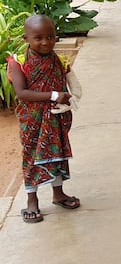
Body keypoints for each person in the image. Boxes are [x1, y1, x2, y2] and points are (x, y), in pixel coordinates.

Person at [7, 14, 81, 224]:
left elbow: (67, 82)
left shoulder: (58, 60)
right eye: (38, 38)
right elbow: (22, 93)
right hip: (33, 121)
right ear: (26, 39)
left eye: (50, 37)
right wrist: (54, 95)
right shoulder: (18, 63)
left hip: (56, 118)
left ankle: (59, 194)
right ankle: (32, 200)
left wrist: (67, 99)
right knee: (32, 157)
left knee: (58, 155)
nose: (45, 42)